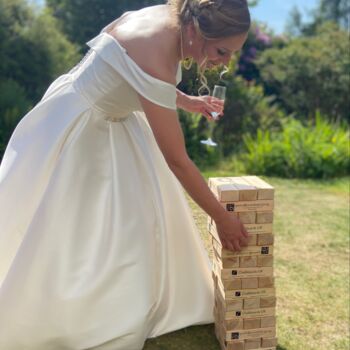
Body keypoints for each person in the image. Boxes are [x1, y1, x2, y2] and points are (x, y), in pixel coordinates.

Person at [0, 0, 250, 349]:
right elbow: (177, 159)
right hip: (82, 123)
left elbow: (127, 71)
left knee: (130, 217)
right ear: (197, 30)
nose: (225, 62)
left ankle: (126, 291)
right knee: (65, 223)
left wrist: (186, 100)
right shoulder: (157, 45)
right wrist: (222, 218)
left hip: (110, 114)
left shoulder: (170, 17)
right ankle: (65, 310)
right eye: (222, 50)